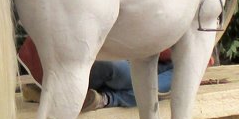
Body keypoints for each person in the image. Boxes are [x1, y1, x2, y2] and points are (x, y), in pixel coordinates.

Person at [17, 37, 174, 110]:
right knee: (118, 70)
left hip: (145, 58)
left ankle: (104, 99)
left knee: (177, 77)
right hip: (93, 55)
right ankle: (108, 97)